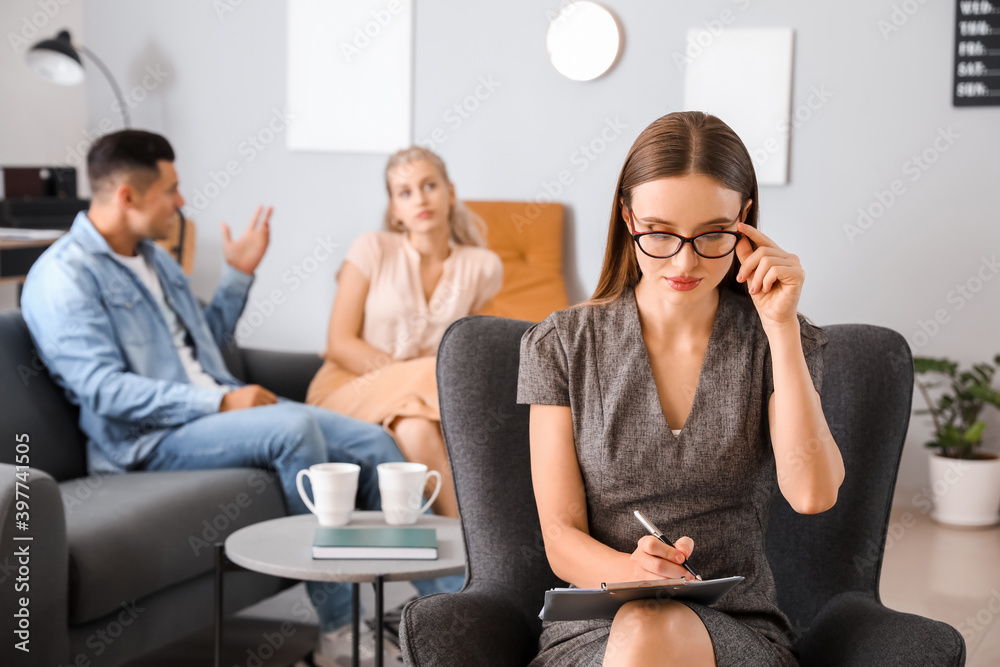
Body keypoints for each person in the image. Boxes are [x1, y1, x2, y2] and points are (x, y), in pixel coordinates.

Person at [18, 130, 438, 666]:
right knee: (295, 431)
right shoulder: (64, 276)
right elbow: (103, 389)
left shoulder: (153, 259)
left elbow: (203, 350)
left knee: (374, 442)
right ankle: (338, 634)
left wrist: (239, 275)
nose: (181, 201)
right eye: (170, 190)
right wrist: (218, 404)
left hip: (211, 415)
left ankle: (446, 617)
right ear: (127, 196)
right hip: (147, 440)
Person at [516, 111, 845, 667]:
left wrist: (782, 328)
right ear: (627, 218)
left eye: (712, 233)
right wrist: (635, 573)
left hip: (736, 631)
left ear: (744, 221)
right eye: (661, 233)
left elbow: (812, 493)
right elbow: (561, 535)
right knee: (646, 628)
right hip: (598, 627)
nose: (685, 260)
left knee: (657, 633)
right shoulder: (560, 344)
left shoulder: (779, 340)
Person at [306, 146, 503, 519]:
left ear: (451, 192)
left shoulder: (482, 266)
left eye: (429, 185)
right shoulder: (371, 248)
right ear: (394, 210)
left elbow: (477, 346)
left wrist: (413, 386)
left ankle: (469, 555)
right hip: (348, 389)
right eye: (405, 192)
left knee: (414, 429)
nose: (420, 199)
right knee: (443, 371)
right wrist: (405, 374)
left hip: (422, 403)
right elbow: (339, 343)